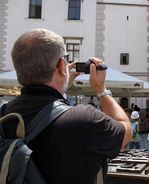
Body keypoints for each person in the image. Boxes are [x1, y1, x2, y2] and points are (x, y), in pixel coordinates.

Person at [2, 29, 132, 184]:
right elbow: (126, 132)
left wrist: (62, 83)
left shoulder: (5, 112)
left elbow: (48, 108)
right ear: (61, 65)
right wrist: (101, 90)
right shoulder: (84, 119)